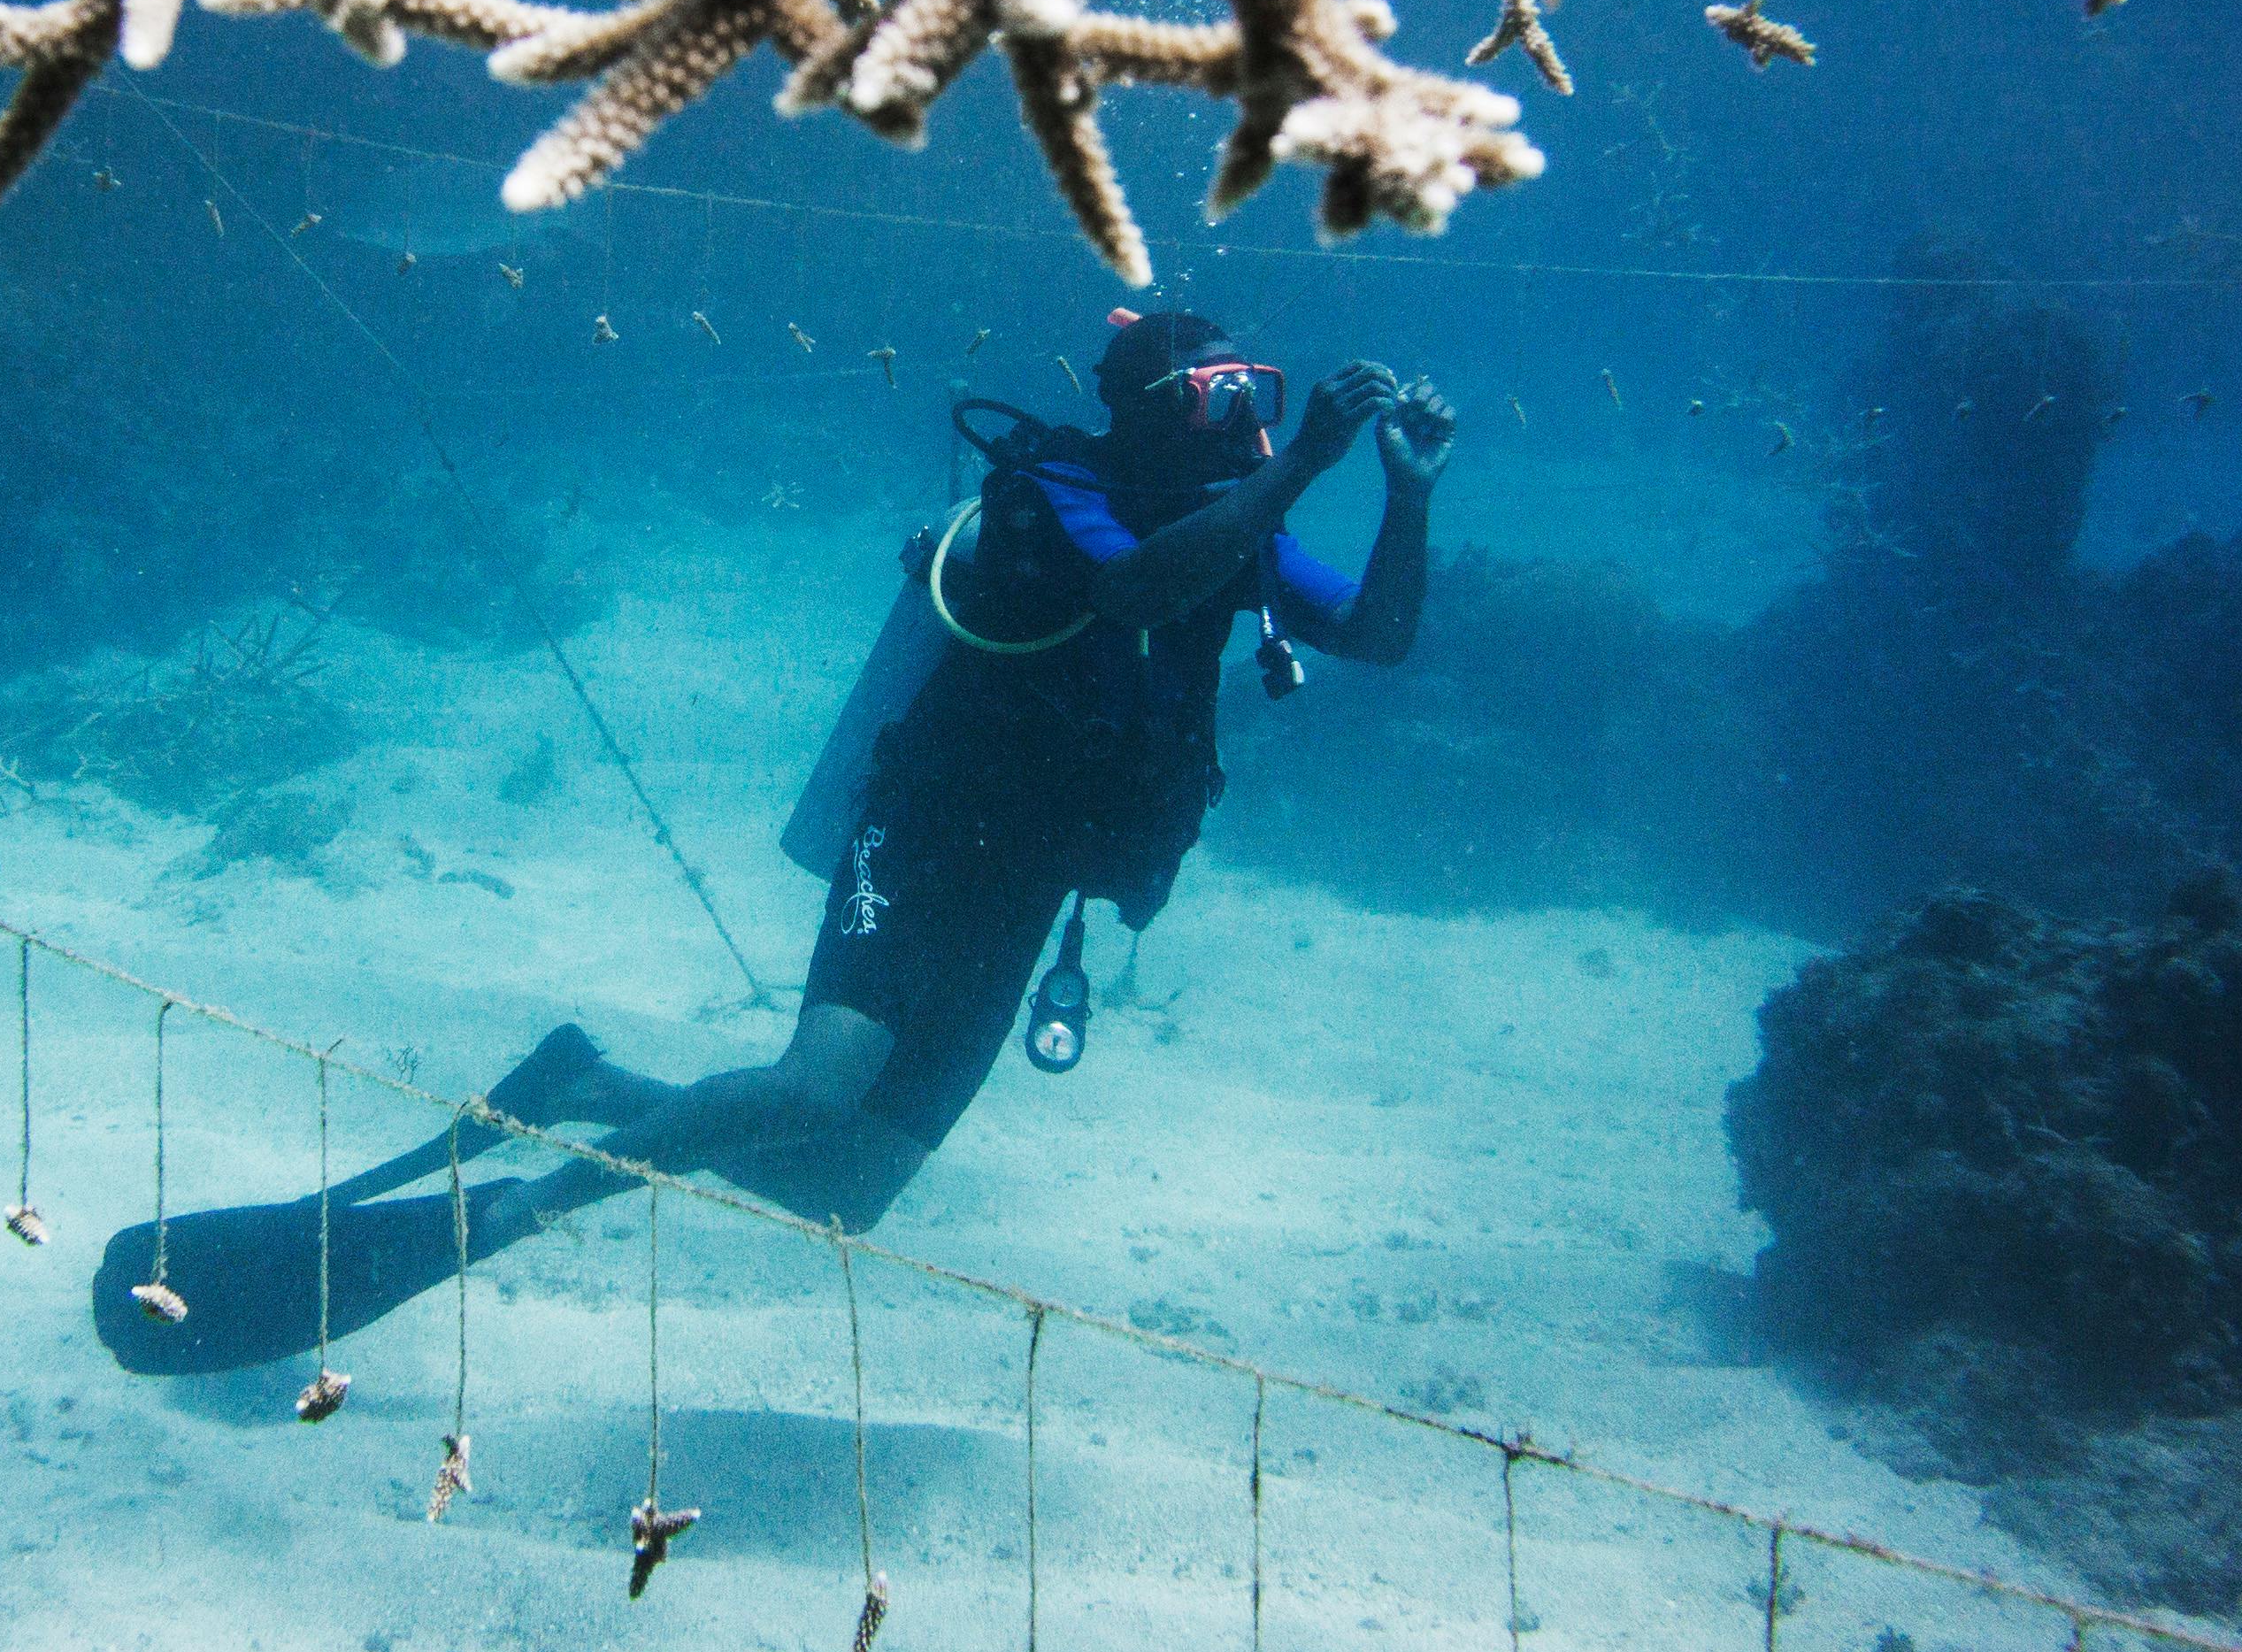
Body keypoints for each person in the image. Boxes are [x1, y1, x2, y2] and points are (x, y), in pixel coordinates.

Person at [94, 311, 1452, 1372]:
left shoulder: (1239, 530)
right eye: (1224, 397)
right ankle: (516, 1218)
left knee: (848, 1192)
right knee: (812, 1090)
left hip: (1033, 881)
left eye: (1260, 399)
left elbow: (1380, 636)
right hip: (925, 834)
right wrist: (1299, 467)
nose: (1247, 421)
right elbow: (1135, 585)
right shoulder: (1057, 485)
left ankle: (594, 1082)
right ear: (1151, 410)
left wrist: (1404, 491)